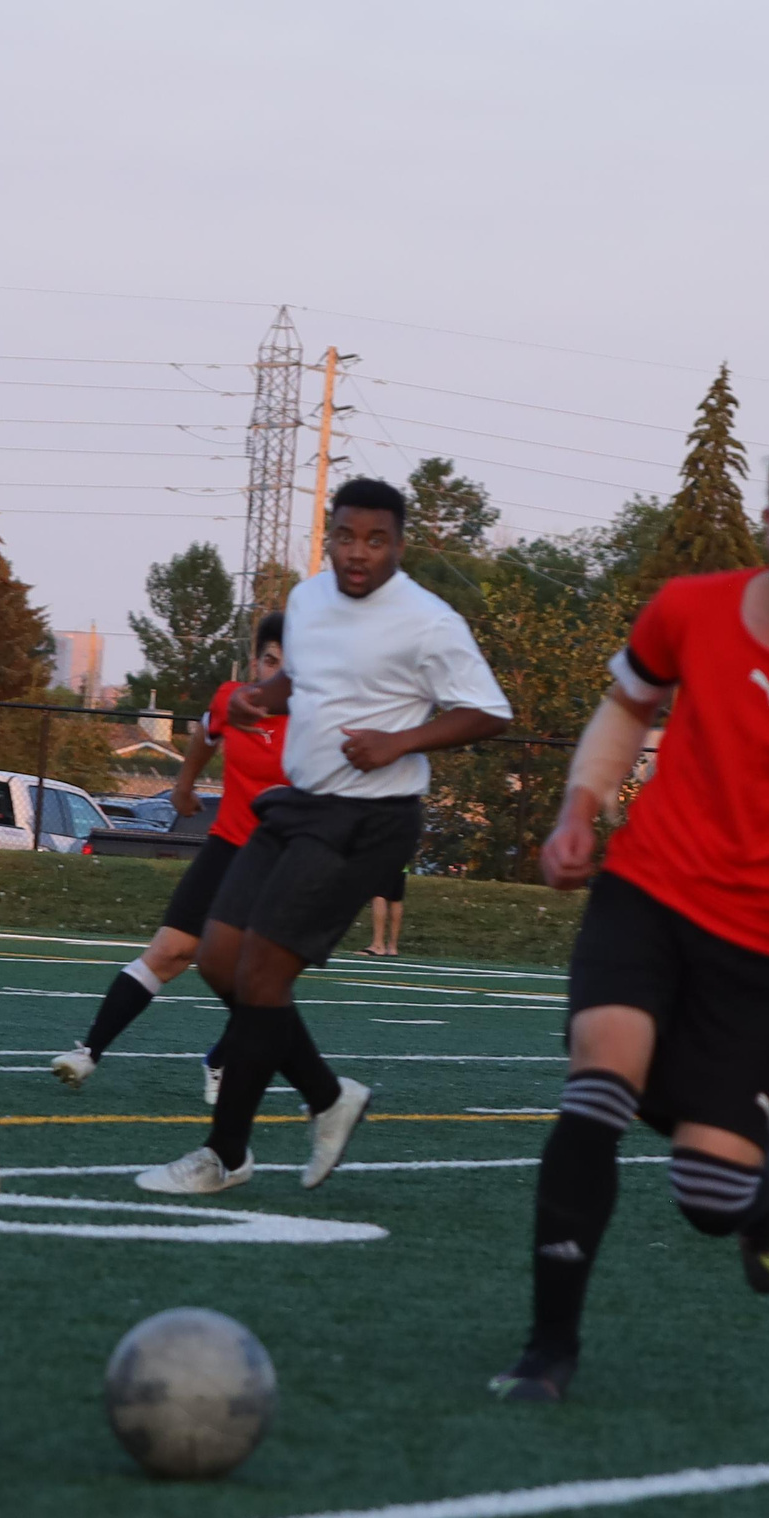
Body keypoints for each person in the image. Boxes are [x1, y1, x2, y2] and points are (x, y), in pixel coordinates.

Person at [491, 426, 769, 1402]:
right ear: (765, 516)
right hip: (645, 894)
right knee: (597, 1083)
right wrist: (577, 811)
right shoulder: (688, 609)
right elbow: (624, 708)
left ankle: (760, 1172)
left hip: (765, 945)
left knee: (709, 1197)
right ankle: (547, 1351)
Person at [136, 477, 511, 1197]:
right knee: (219, 960)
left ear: (401, 545)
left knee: (262, 975)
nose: (358, 552)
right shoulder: (307, 601)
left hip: (370, 817)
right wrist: (258, 700)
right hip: (298, 803)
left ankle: (225, 1154)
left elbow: (490, 711)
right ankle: (326, 1093)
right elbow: (297, 682)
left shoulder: (428, 622)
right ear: (329, 537)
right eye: (345, 536)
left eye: (376, 539)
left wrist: (402, 739)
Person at [52, 615, 286, 1096]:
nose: (275, 672)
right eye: (269, 660)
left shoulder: (316, 719)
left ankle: (220, 1062)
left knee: (257, 981)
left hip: (279, 864)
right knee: (168, 952)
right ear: (255, 662)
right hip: (225, 847)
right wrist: (183, 784)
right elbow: (206, 733)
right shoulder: (232, 699)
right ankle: (88, 1053)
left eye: (288, 665)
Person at [361, 866, 405, 957]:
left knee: (378, 894)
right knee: (395, 898)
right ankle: (392, 947)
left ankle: (378, 945)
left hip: (386, 857)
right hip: (403, 858)